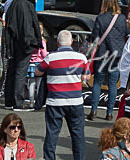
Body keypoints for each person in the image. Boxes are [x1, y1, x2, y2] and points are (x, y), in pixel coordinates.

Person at [36, 29, 90, 160]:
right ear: (71, 42)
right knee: (77, 136)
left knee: (52, 134)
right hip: (75, 101)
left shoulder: (50, 57)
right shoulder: (81, 58)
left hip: (55, 102)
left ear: (57, 42)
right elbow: (87, 77)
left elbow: (38, 72)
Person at [4, 0, 42, 112]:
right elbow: (31, 25)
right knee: (20, 72)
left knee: (12, 71)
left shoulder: (11, 3)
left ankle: (9, 100)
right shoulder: (27, 5)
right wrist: (35, 42)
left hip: (13, 42)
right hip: (24, 43)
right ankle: (18, 102)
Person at [89, 0, 128, 121]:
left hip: (102, 54)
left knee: (97, 82)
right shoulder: (122, 18)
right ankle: (110, 112)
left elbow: (95, 36)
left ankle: (93, 110)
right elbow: (127, 33)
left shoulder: (100, 18)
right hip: (117, 55)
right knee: (112, 84)